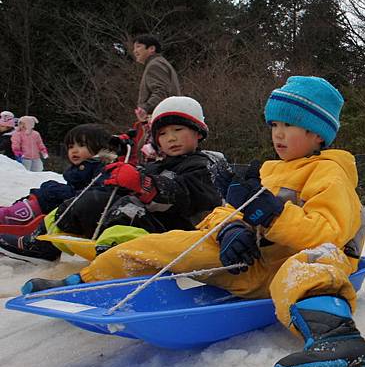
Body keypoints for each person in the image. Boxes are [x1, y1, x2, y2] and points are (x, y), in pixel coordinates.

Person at [22, 76, 365, 367]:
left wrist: (271, 213)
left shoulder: (330, 174)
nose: (278, 133)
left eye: (290, 124)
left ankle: (337, 340)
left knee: (311, 264)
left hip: (301, 262)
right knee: (158, 244)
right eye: (274, 123)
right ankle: (82, 284)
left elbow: (328, 233)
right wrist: (229, 229)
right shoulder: (269, 172)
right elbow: (222, 210)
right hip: (251, 263)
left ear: (317, 132)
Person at [2, 97, 226, 263]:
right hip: (152, 224)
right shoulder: (159, 164)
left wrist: (145, 184)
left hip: (180, 231)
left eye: (178, 129)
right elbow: (136, 182)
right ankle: (43, 243)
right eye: (163, 134)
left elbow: (189, 195)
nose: (171, 138)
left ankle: (119, 260)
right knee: (91, 198)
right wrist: (123, 175)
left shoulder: (205, 164)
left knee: (128, 209)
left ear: (198, 133)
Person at [0, 123, 111, 228]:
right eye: (71, 146)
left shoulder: (103, 168)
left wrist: (60, 192)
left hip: (83, 207)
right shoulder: (83, 167)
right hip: (74, 204)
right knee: (48, 188)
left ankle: (17, 216)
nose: (74, 151)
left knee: (51, 191)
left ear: (100, 148)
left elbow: (96, 194)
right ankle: (17, 211)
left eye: (81, 145)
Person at [130, 34, 181, 163]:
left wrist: (144, 109)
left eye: (138, 46)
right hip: (165, 119)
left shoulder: (155, 64)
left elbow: (161, 92)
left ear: (151, 48)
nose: (135, 51)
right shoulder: (159, 63)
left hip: (158, 120)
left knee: (153, 159)